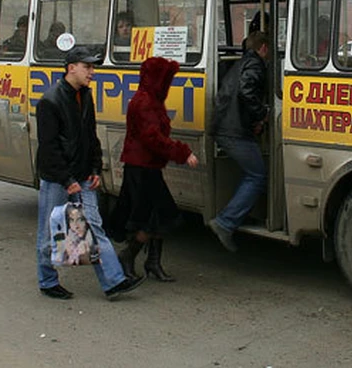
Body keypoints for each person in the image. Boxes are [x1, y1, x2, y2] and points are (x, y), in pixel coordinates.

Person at [34, 45, 144, 300]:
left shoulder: (85, 96)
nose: (92, 72)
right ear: (71, 68)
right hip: (58, 180)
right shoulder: (50, 101)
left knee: (93, 226)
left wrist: (95, 168)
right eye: (88, 67)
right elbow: (49, 149)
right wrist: (66, 180)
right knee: (50, 232)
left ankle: (114, 281)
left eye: (93, 67)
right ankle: (47, 280)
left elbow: (90, 137)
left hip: (83, 175)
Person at [109, 57, 198, 281]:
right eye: (166, 79)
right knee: (150, 218)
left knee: (159, 216)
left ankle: (152, 263)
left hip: (145, 167)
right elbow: (153, 138)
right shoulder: (146, 102)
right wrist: (182, 152)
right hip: (141, 169)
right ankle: (129, 257)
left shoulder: (148, 99)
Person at [207, 31, 270, 253]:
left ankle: (244, 213)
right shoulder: (255, 64)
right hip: (232, 131)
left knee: (252, 171)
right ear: (263, 48)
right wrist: (262, 113)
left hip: (226, 127)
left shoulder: (243, 62)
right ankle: (226, 222)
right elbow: (246, 91)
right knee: (257, 174)